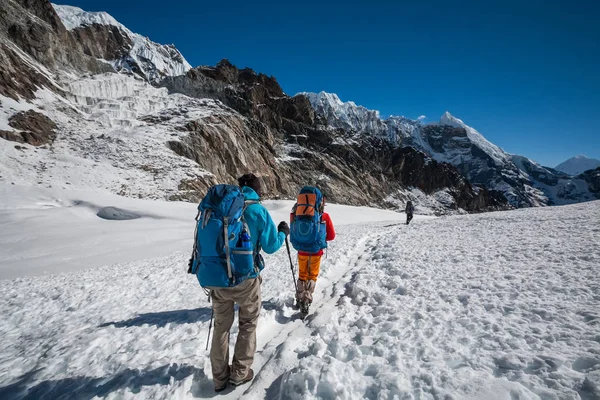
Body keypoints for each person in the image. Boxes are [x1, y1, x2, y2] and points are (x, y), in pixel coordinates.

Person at [210, 173, 289, 392]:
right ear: (257, 189)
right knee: (247, 325)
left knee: (221, 327)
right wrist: (282, 233)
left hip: (218, 277)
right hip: (247, 278)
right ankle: (240, 373)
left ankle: (219, 378)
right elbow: (272, 246)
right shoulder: (258, 210)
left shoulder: (222, 207)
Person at [293, 193, 335, 314]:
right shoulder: (324, 216)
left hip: (301, 250)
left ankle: (300, 296)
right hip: (316, 251)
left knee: (302, 274)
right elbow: (331, 236)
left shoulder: (298, 214)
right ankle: (306, 298)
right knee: (312, 275)